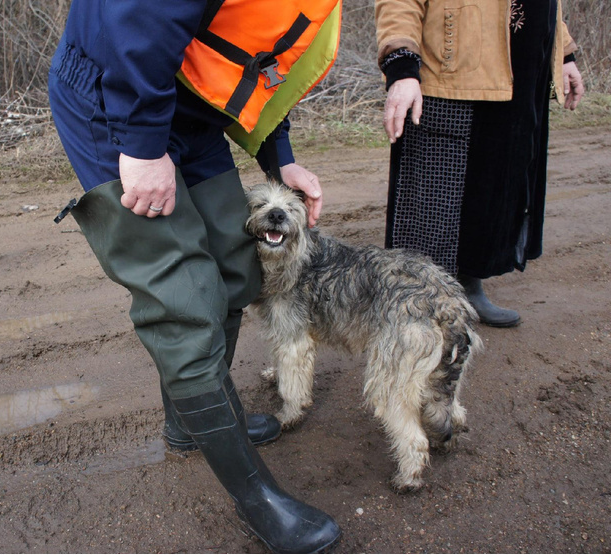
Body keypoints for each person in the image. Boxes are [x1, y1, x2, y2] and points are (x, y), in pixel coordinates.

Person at [48, 0, 342, 552]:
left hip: (191, 106)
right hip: (118, 97)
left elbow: (258, 52)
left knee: (235, 262)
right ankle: (258, 498)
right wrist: (140, 144)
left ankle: (187, 425)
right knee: (183, 297)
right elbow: (139, 15)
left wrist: (281, 158)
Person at [375, 0, 585, 327]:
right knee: (433, 195)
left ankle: (468, 285)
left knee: (492, 191)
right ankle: (412, 302)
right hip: (452, 70)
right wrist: (402, 67)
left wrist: (564, 53)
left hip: (523, 77)